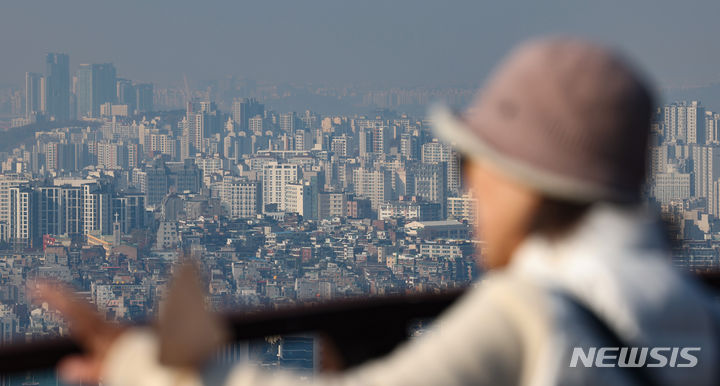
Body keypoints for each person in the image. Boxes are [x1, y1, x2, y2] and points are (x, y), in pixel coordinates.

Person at [36, 37, 720, 385]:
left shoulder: (529, 314)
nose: (466, 188)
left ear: (529, 181)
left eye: (471, 163)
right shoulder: (693, 311)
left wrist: (139, 364)